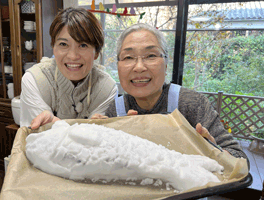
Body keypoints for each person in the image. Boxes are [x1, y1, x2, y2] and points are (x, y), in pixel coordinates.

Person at [92, 23, 249, 164]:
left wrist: (212, 152)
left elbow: (241, 159)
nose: (139, 67)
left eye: (151, 56)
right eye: (128, 57)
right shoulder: (117, 110)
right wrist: (96, 140)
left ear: (166, 64)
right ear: (118, 66)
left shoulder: (191, 103)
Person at [20, 7, 117, 128]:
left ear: (96, 52)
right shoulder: (35, 80)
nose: (72, 56)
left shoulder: (106, 88)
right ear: (53, 47)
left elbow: (96, 141)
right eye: (63, 44)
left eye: (83, 45)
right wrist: (89, 130)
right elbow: (43, 138)